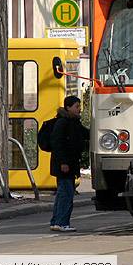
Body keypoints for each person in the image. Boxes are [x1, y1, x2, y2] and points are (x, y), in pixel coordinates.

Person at [49, 95, 89, 232]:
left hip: (69, 164)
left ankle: (56, 221)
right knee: (66, 194)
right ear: (68, 107)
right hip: (64, 165)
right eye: (77, 106)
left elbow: (86, 134)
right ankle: (62, 222)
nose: (79, 109)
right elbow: (58, 144)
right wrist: (63, 162)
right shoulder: (63, 122)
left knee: (62, 194)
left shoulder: (74, 122)